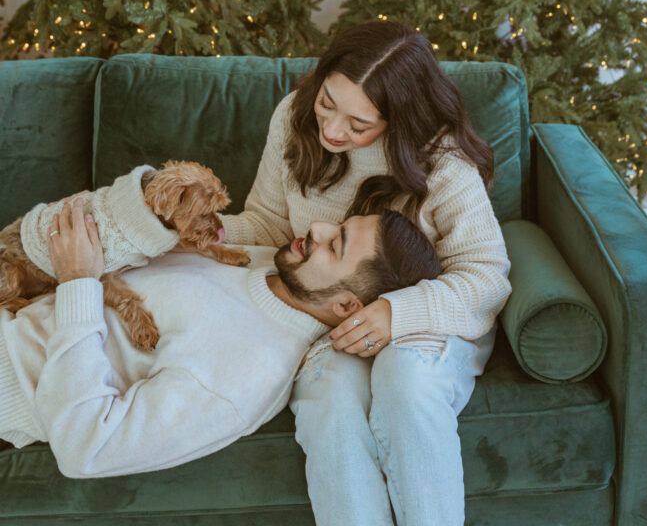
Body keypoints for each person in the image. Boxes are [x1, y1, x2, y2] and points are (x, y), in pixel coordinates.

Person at [220, 19, 512, 526]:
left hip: (432, 316)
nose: (332, 131)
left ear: (399, 120)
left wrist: (396, 313)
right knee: (330, 399)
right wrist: (198, 232)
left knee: (404, 380)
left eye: (358, 126)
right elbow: (268, 223)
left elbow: (486, 276)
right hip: (333, 321)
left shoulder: (441, 162)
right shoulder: (294, 116)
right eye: (327, 104)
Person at [0, 191, 440, 478]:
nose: (318, 229)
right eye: (338, 225)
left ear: (346, 306)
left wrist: (78, 280)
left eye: (335, 244)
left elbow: (85, 449)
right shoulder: (265, 262)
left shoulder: (245, 375)